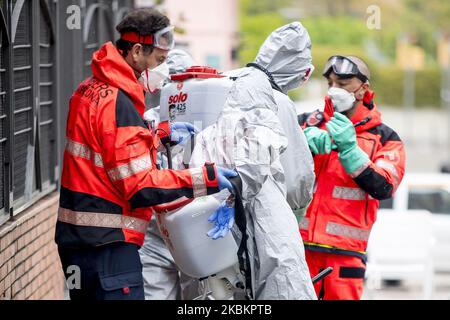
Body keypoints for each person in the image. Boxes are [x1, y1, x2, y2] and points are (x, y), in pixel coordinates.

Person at [54, 8, 237, 301]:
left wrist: (155, 137)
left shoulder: (88, 89)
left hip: (79, 242)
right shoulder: (120, 102)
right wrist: (205, 178)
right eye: (159, 61)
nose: (160, 70)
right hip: (109, 245)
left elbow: (107, 151)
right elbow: (140, 185)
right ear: (137, 50)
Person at [191, 22, 317, 300]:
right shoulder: (272, 98)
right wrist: (297, 206)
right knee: (284, 282)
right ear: (295, 67)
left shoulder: (224, 81)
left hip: (208, 211)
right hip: (258, 207)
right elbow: (296, 177)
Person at [298, 55, 406, 300]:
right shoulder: (305, 124)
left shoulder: (385, 138)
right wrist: (298, 145)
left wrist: (351, 151)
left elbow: (384, 187)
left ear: (362, 89)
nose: (334, 90)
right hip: (296, 249)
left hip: (345, 256)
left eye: (343, 84)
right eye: (331, 83)